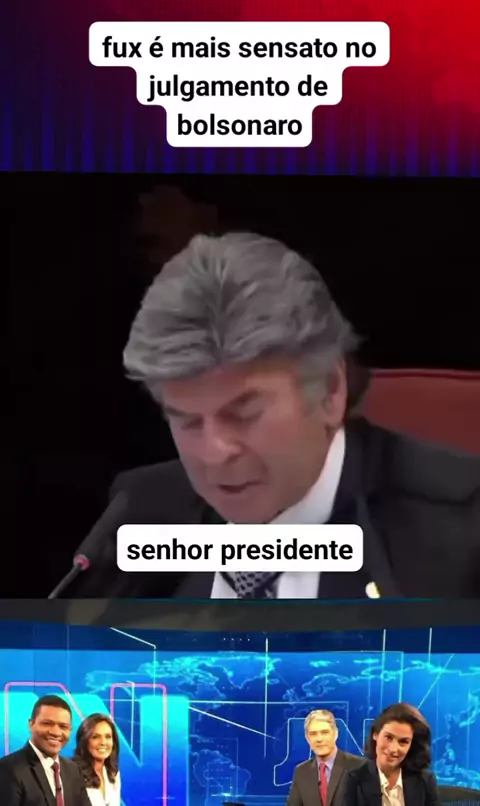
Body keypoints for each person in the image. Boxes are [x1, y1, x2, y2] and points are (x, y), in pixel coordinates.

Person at [62, 232, 480, 600]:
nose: (214, 453)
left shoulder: (462, 536)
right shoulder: (140, 515)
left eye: (244, 414)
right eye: (187, 420)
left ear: (330, 391)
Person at [341, 703, 441, 806]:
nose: (393, 749)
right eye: (388, 737)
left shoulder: (425, 780)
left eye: (403, 741)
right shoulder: (354, 780)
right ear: (375, 734)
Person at [0, 694, 90, 806]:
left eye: (63, 726)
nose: (56, 732)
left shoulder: (73, 770)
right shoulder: (8, 769)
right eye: (47, 724)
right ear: (31, 724)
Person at [287, 710, 365, 806]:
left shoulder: (359, 767)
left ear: (335, 734)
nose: (319, 739)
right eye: (313, 734)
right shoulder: (301, 771)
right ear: (307, 738)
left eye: (325, 732)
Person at [73, 714, 121, 806]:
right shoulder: (72, 772)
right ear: (85, 741)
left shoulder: (113, 773)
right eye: (95, 737)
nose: (103, 742)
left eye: (108, 737)